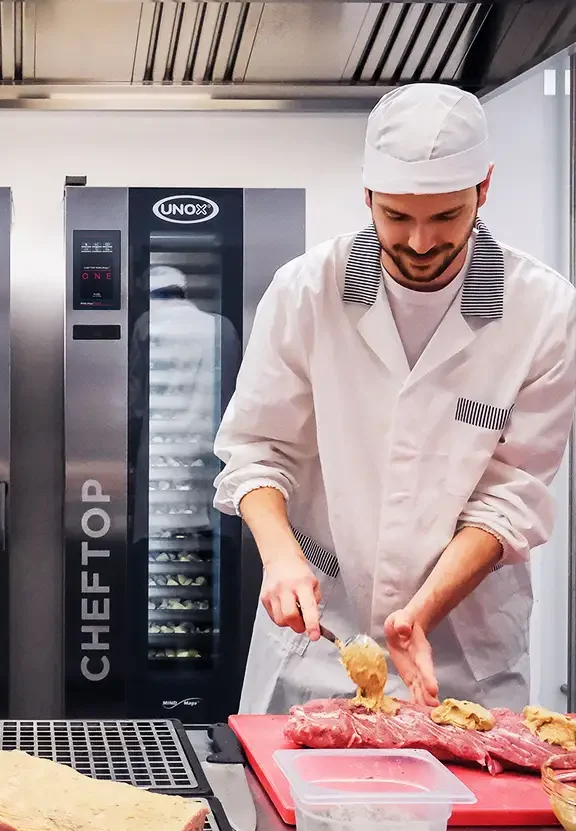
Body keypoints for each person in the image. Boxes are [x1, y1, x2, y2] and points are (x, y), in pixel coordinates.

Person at [213, 82, 576, 713]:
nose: (419, 243)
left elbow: (511, 496)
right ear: (369, 196)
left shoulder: (543, 312)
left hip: (462, 653)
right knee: (283, 810)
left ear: (483, 190)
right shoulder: (307, 292)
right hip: (318, 637)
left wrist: (419, 613)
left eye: (446, 217)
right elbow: (257, 449)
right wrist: (280, 558)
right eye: (397, 217)